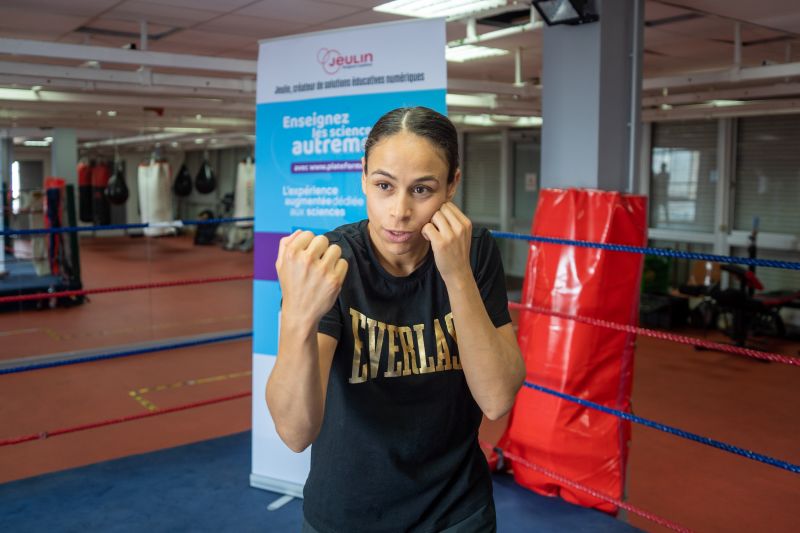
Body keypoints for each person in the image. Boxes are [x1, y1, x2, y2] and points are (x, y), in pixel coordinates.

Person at [266, 106, 526, 533]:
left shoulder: (473, 250)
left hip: (455, 512)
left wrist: (456, 273)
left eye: (422, 190)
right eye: (384, 185)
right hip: (347, 515)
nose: (400, 211)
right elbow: (295, 433)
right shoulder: (334, 261)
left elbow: (497, 399)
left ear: (451, 186)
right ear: (363, 176)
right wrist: (297, 317)